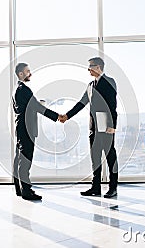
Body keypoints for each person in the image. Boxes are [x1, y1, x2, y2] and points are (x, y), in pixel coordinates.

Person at [59, 57, 118, 198]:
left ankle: (113, 188)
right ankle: (95, 187)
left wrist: (112, 126)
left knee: (110, 158)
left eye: (90, 66)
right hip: (93, 127)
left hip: (106, 127)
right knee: (95, 157)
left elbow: (112, 105)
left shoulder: (109, 82)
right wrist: (67, 116)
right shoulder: (90, 85)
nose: (88, 69)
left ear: (98, 67)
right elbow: (82, 103)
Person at [12, 63, 59, 200]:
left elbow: (25, 108)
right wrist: (56, 117)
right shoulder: (24, 90)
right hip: (27, 129)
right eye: (27, 71)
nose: (30, 73)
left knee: (19, 160)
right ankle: (26, 191)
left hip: (21, 128)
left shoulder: (17, 89)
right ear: (21, 74)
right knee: (25, 161)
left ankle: (20, 189)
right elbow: (36, 106)